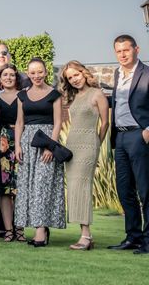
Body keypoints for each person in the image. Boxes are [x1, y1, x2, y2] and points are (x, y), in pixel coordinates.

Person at [14, 57, 65, 247]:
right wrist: (18, 145)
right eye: (32, 72)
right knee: (29, 186)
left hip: (46, 142)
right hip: (27, 142)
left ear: (45, 72)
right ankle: (39, 228)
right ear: (28, 73)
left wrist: (51, 145)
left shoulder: (54, 94)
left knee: (42, 186)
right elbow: (19, 122)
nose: (36, 75)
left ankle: (40, 232)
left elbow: (58, 122)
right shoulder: (22, 95)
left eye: (40, 72)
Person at [60, 60, 109, 250]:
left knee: (82, 187)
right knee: (74, 187)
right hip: (71, 145)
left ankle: (86, 236)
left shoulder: (97, 94)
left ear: (84, 73)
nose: (74, 80)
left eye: (76, 75)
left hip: (88, 145)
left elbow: (105, 123)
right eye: (70, 78)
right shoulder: (74, 97)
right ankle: (85, 235)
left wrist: (96, 143)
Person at [108, 35, 149, 254]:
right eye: (118, 51)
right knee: (124, 190)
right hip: (121, 138)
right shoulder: (117, 74)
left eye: (126, 50)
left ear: (136, 49)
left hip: (139, 136)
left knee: (146, 190)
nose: (122, 54)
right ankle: (133, 237)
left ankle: (148, 240)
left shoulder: (147, 74)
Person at [0, 64, 25, 242]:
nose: (8, 78)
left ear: (16, 77)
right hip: (2, 145)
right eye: (5, 75)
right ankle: (8, 230)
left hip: (21, 142)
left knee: (19, 189)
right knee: (4, 190)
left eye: (12, 75)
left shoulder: (24, 96)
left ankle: (19, 229)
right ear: (0, 79)